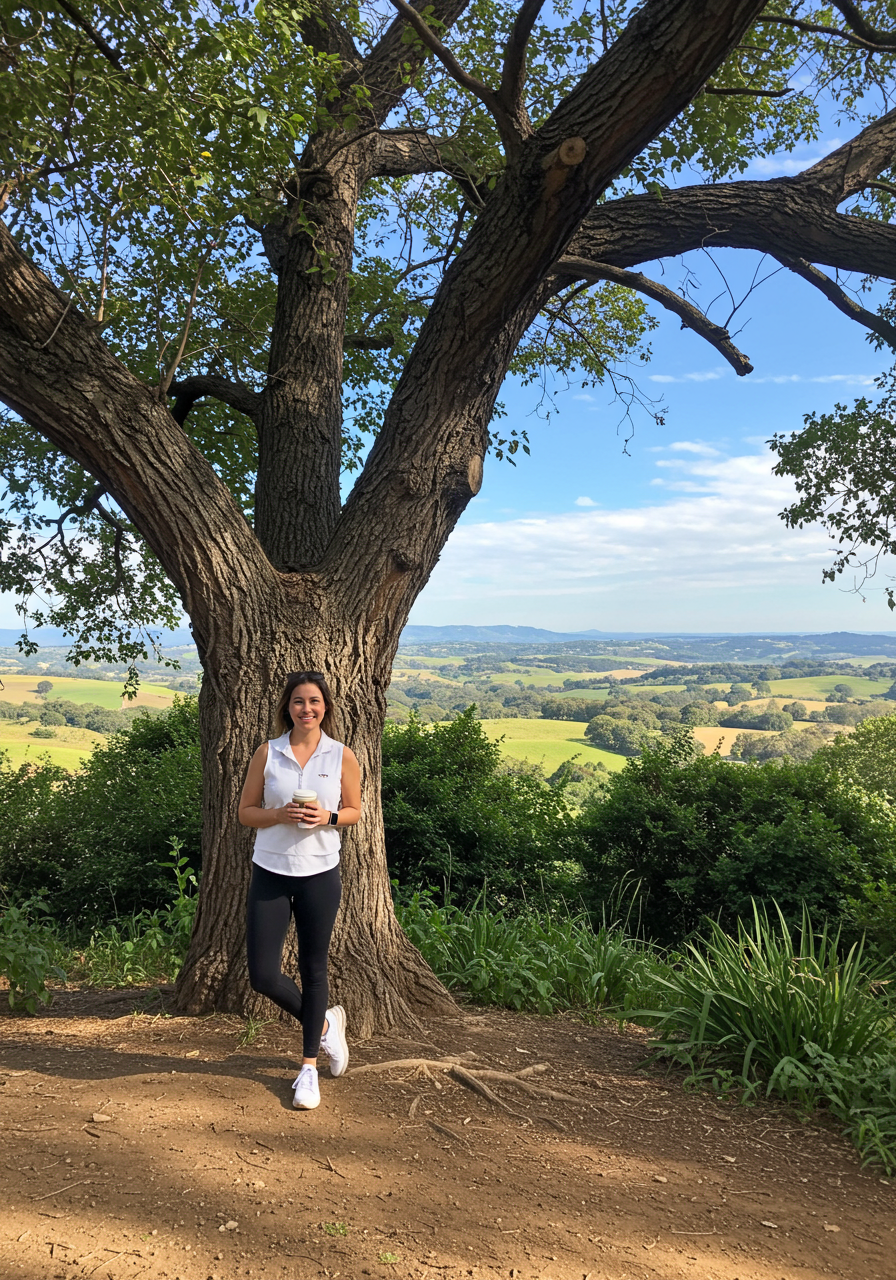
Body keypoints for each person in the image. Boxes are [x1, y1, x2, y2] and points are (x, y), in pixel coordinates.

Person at [238, 671, 361, 1110]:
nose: (306, 708)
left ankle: (308, 1067)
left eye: (313, 701)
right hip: (270, 870)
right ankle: (325, 1024)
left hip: (320, 875)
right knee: (263, 975)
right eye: (297, 701)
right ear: (286, 707)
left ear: (325, 706)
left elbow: (354, 812)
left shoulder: (342, 755)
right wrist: (279, 815)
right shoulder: (267, 753)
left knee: (314, 971)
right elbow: (245, 812)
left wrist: (325, 818)